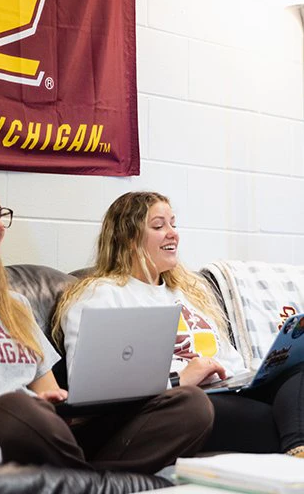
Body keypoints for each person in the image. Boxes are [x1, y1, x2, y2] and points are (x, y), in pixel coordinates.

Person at [0, 173, 214, 474]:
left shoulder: (15, 304)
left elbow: (52, 395)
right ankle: (90, 480)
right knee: (15, 407)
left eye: (0, 213)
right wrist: (26, 408)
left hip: (49, 434)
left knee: (190, 405)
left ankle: (82, 479)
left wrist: (57, 404)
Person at [52, 191, 304, 457]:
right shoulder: (101, 294)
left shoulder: (189, 293)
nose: (172, 233)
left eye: (173, 224)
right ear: (127, 238)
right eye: (159, 226)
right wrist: (181, 379)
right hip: (171, 405)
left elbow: (232, 363)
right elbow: (95, 384)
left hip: (224, 392)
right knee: (266, 419)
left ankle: (296, 449)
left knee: (296, 371)